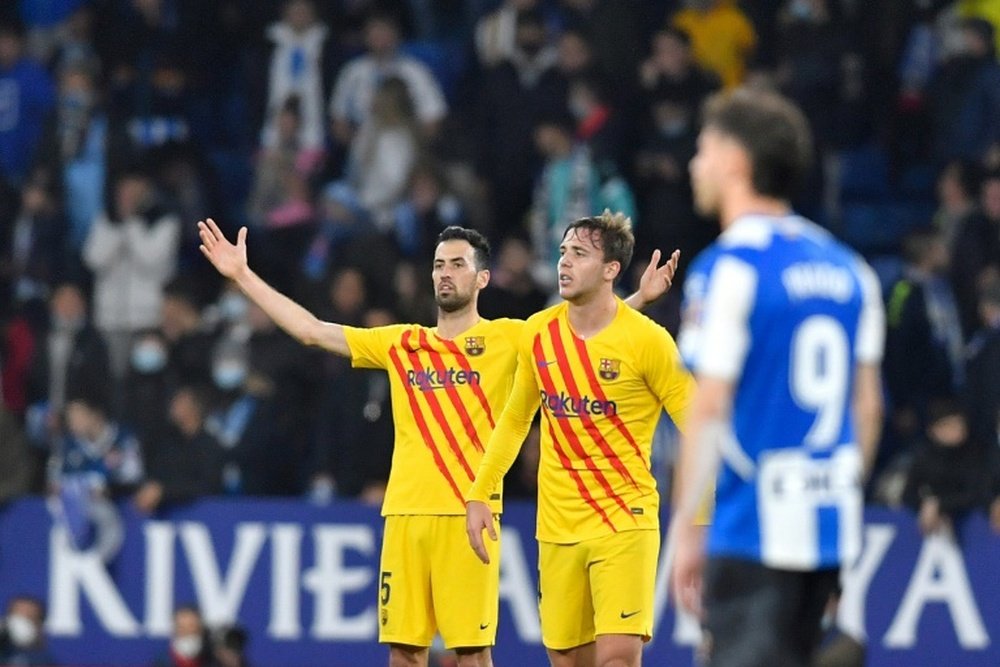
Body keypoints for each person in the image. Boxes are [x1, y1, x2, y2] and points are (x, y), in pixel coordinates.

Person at [197, 217, 680, 667]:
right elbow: (311, 331)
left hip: (466, 520)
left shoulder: (511, 339)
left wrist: (637, 298)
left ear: (482, 279)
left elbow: (584, 330)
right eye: (438, 265)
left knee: (470, 656)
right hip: (405, 516)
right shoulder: (402, 343)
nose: (445, 274)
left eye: (458, 264)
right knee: (403, 656)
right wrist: (242, 276)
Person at [668, 87, 885, 667]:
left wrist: (688, 531)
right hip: (829, 529)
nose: (696, 164)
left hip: (751, 530)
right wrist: (838, 492)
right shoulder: (850, 269)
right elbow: (866, 409)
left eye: (704, 150)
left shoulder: (728, 268)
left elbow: (709, 407)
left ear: (735, 162)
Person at [466, 211, 695, 667]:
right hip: (557, 527)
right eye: (563, 252)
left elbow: (700, 428)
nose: (564, 263)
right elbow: (515, 420)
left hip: (624, 521)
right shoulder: (538, 333)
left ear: (611, 269)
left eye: (580, 254)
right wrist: (480, 492)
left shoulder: (649, 342)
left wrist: (702, 521)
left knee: (616, 657)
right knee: (568, 659)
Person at [0, 595, 56, 666]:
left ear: (39, 626)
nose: (19, 625)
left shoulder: (44, 661)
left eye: (27, 619)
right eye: (15, 617)